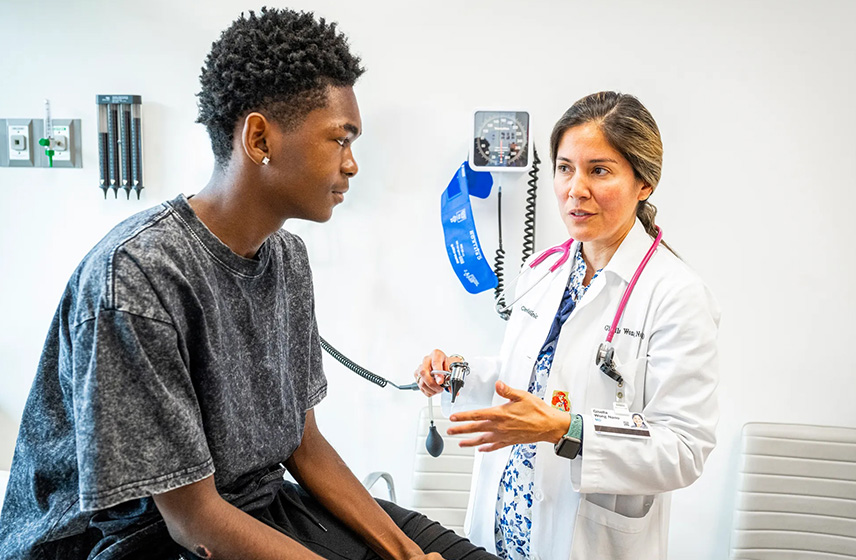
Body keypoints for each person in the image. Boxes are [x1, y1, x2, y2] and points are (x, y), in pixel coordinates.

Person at [0, 8, 498, 560]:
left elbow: (302, 444)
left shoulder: (286, 258)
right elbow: (194, 522)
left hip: (255, 501)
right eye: (340, 139)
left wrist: (405, 555)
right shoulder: (139, 277)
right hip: (140, 538)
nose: (352, 164)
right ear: (259, 137)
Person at [416, 92, 720, 560]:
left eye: (598, 170)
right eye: (564, 168)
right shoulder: (542, 272)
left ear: (644, 183)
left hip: (587, 541)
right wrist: (458, 372)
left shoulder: (676, 295)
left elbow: (683, 447)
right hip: (503, 530)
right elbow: (527, 376)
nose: (575, 189)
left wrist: (567, 431)